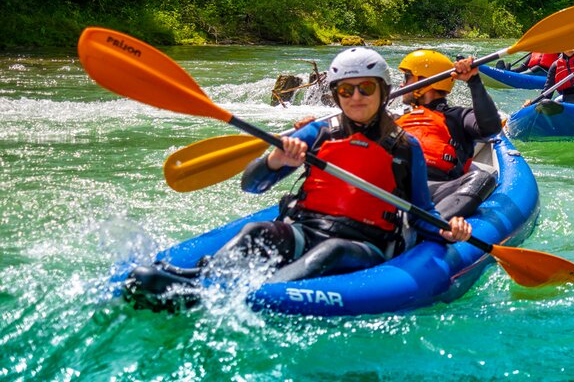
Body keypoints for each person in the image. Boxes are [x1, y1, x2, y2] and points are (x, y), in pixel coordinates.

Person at [124, 48, 471, 309]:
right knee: (256, 231)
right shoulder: (318, 134)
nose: (356, 98)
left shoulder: (404, 145)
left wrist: (447, 230)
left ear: (382, 90)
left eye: (365, 88)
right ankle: (203, 280)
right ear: (335, 95)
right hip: (306, 229)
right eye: (345, 91)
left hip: (366, 244)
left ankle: (246, 298)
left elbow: (423, 213)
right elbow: (252, 185)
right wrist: (275, 161)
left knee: (332, 252)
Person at [397, 49, 502, 215]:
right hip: (395, 186)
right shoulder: (396, 121)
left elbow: (491, 128)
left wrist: (474, 81)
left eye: (407, 77)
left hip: (439, 191)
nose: (402, 85)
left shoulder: (457, 116)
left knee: (482, 179)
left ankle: (433, 226)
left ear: (424, 82)